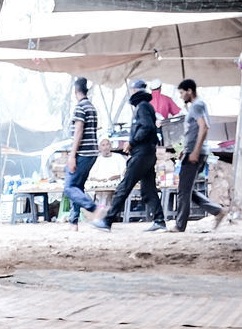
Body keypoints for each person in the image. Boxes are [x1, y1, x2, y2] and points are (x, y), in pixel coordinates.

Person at [93, 80, 166, 232]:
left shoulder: (142, 107)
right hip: (147, 154)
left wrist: (132, 142)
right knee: (149, 189)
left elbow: (147, 127)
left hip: (141, 153)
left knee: (124, 186)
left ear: (135, 91)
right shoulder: (145, 107)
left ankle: (108, 220)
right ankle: (159, 221)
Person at [173, 78, 226, 232]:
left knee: (183, 191)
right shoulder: (196, 106)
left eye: (182, 93)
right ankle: (217, 211)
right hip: (193, 151)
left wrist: (195, 151)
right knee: (186, 189)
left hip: (196, 153)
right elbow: (194, 131)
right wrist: (185, 148)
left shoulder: (197, 106)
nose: (181, 96)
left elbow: (203, 127)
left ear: (190, 91)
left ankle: (180, 225)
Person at [63, 76, 102, 229]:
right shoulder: (91, 107)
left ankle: (94, 208)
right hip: (92, 152)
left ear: (75, 91)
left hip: (83, 153)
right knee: (77, 187)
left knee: (69, 187)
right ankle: (73, 222)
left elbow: (78, 131)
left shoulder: (80, 108)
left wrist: (72, 155)